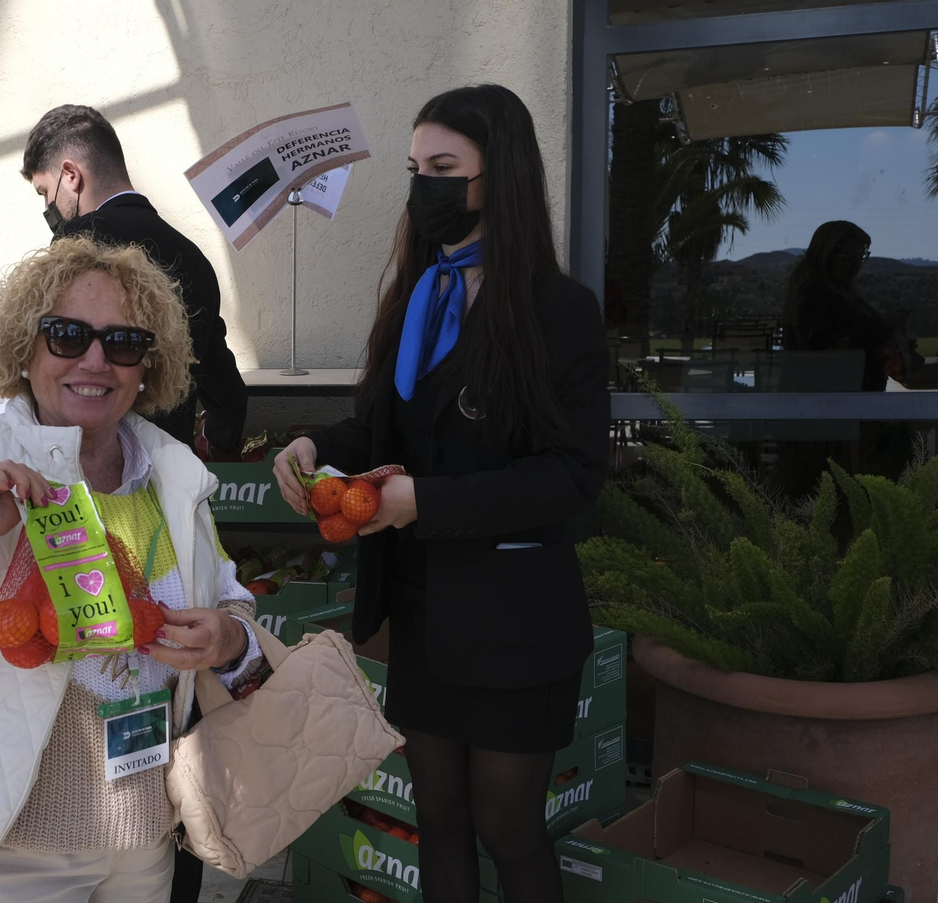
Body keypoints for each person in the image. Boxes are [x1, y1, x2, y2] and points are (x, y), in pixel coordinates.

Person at [0, 237, 264, 903]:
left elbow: (227, 594)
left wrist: (231, 638)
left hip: (142, 837)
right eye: (66, 336)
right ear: (24, 351)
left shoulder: (172, 472)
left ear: (147, 366)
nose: (95, 360)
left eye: (122, 342)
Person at [272, 84, 609, 903]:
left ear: (501, 177)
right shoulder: (416, 295)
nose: (423, 184)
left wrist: (428, 502)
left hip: (516, 622)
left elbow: (571, 474)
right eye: (415, 167)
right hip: (423, 614)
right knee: (440, 822)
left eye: (444, 167)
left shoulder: (560, 311)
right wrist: (320, 444)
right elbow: (383, 431)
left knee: (509, 829)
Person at [23, 103, 249, 460]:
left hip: (95, 467)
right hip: (170, 473)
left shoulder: (77, 247)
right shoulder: (195, 258)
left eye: (43, 191)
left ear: (70, 175)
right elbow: (224, 385)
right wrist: (218, 435)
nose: (48, 206)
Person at [778, 220, 926, 495]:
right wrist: (882, 330)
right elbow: (827, 352)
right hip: (834, 409)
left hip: (850, 404)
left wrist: (892, 345)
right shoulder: (811, 294)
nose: (856, 265)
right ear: (827, 255)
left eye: (861, 258)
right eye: (849, 258)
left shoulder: (840, 292)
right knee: (915, 430)